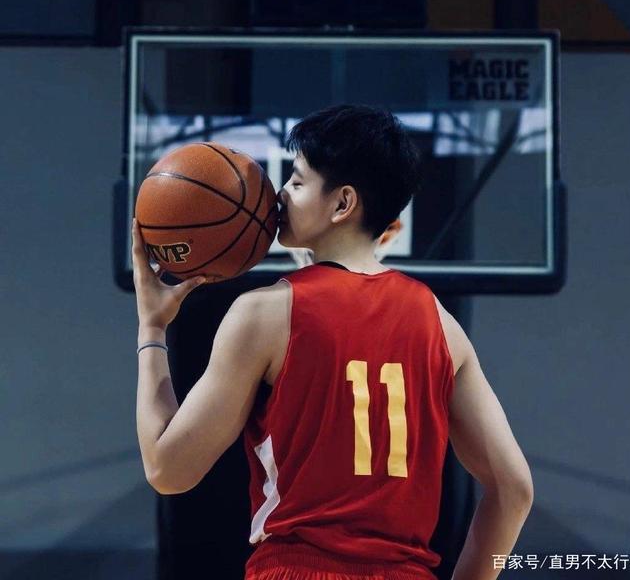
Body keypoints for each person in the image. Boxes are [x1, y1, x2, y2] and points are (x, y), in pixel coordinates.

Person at [132, 105, 534, 580]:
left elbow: (168, 470)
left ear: (343, 204)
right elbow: (515, 489)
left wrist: (152, 327)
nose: (280, 195)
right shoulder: (443, 326)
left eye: (297, 182)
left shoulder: (264, 313)